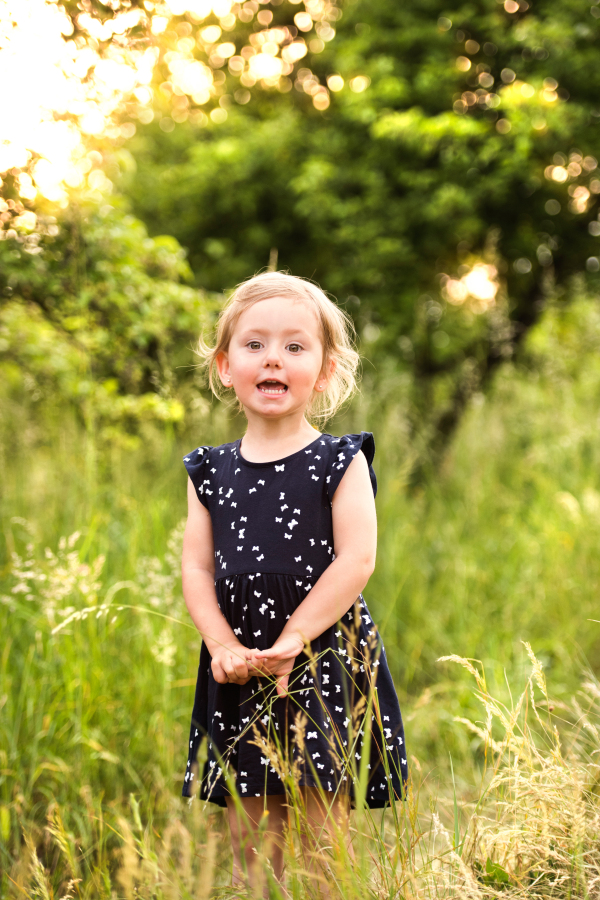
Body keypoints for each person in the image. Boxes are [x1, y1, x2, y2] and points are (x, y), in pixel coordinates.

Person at [181, 271, 407, 892]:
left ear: (326, 370)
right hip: (241, 664)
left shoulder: (341, 460)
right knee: (251, 843)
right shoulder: (211, 471)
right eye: (254, 345)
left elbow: (356, 560)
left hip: (320, 654)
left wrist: (297, 635)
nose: (273, 357)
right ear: (225, 367)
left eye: (294, 346)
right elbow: (197, 568)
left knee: (319, 839)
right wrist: (222, 642)